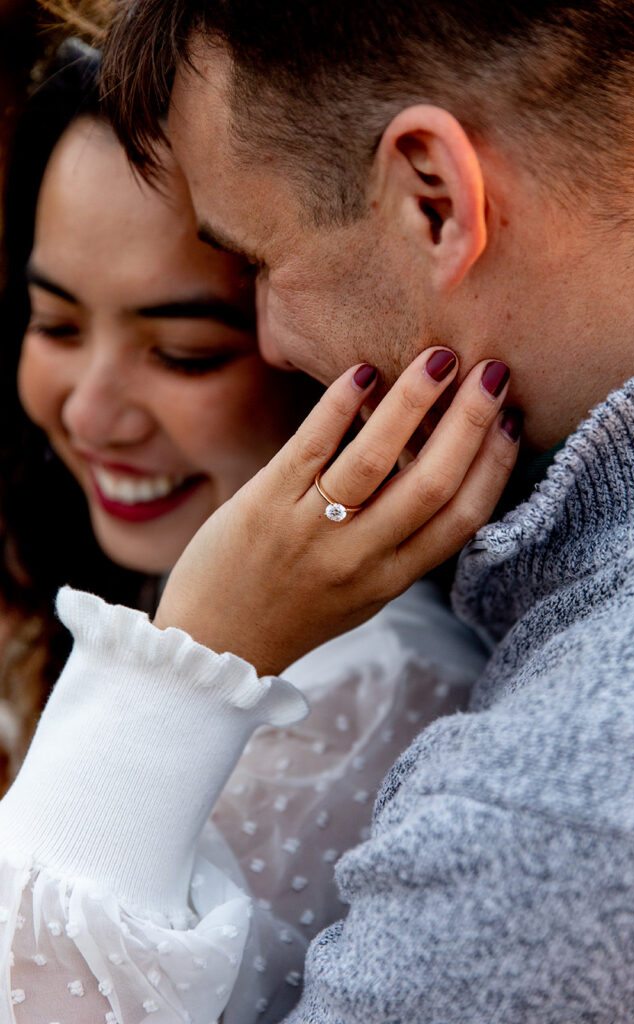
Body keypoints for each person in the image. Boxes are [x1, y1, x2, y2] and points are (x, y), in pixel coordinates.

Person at [0, 41, 500, 1022]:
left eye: (183, 354)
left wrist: (185, 664)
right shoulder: (84, 570)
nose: (94, 413)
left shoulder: (371, 695)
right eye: (54, 325)